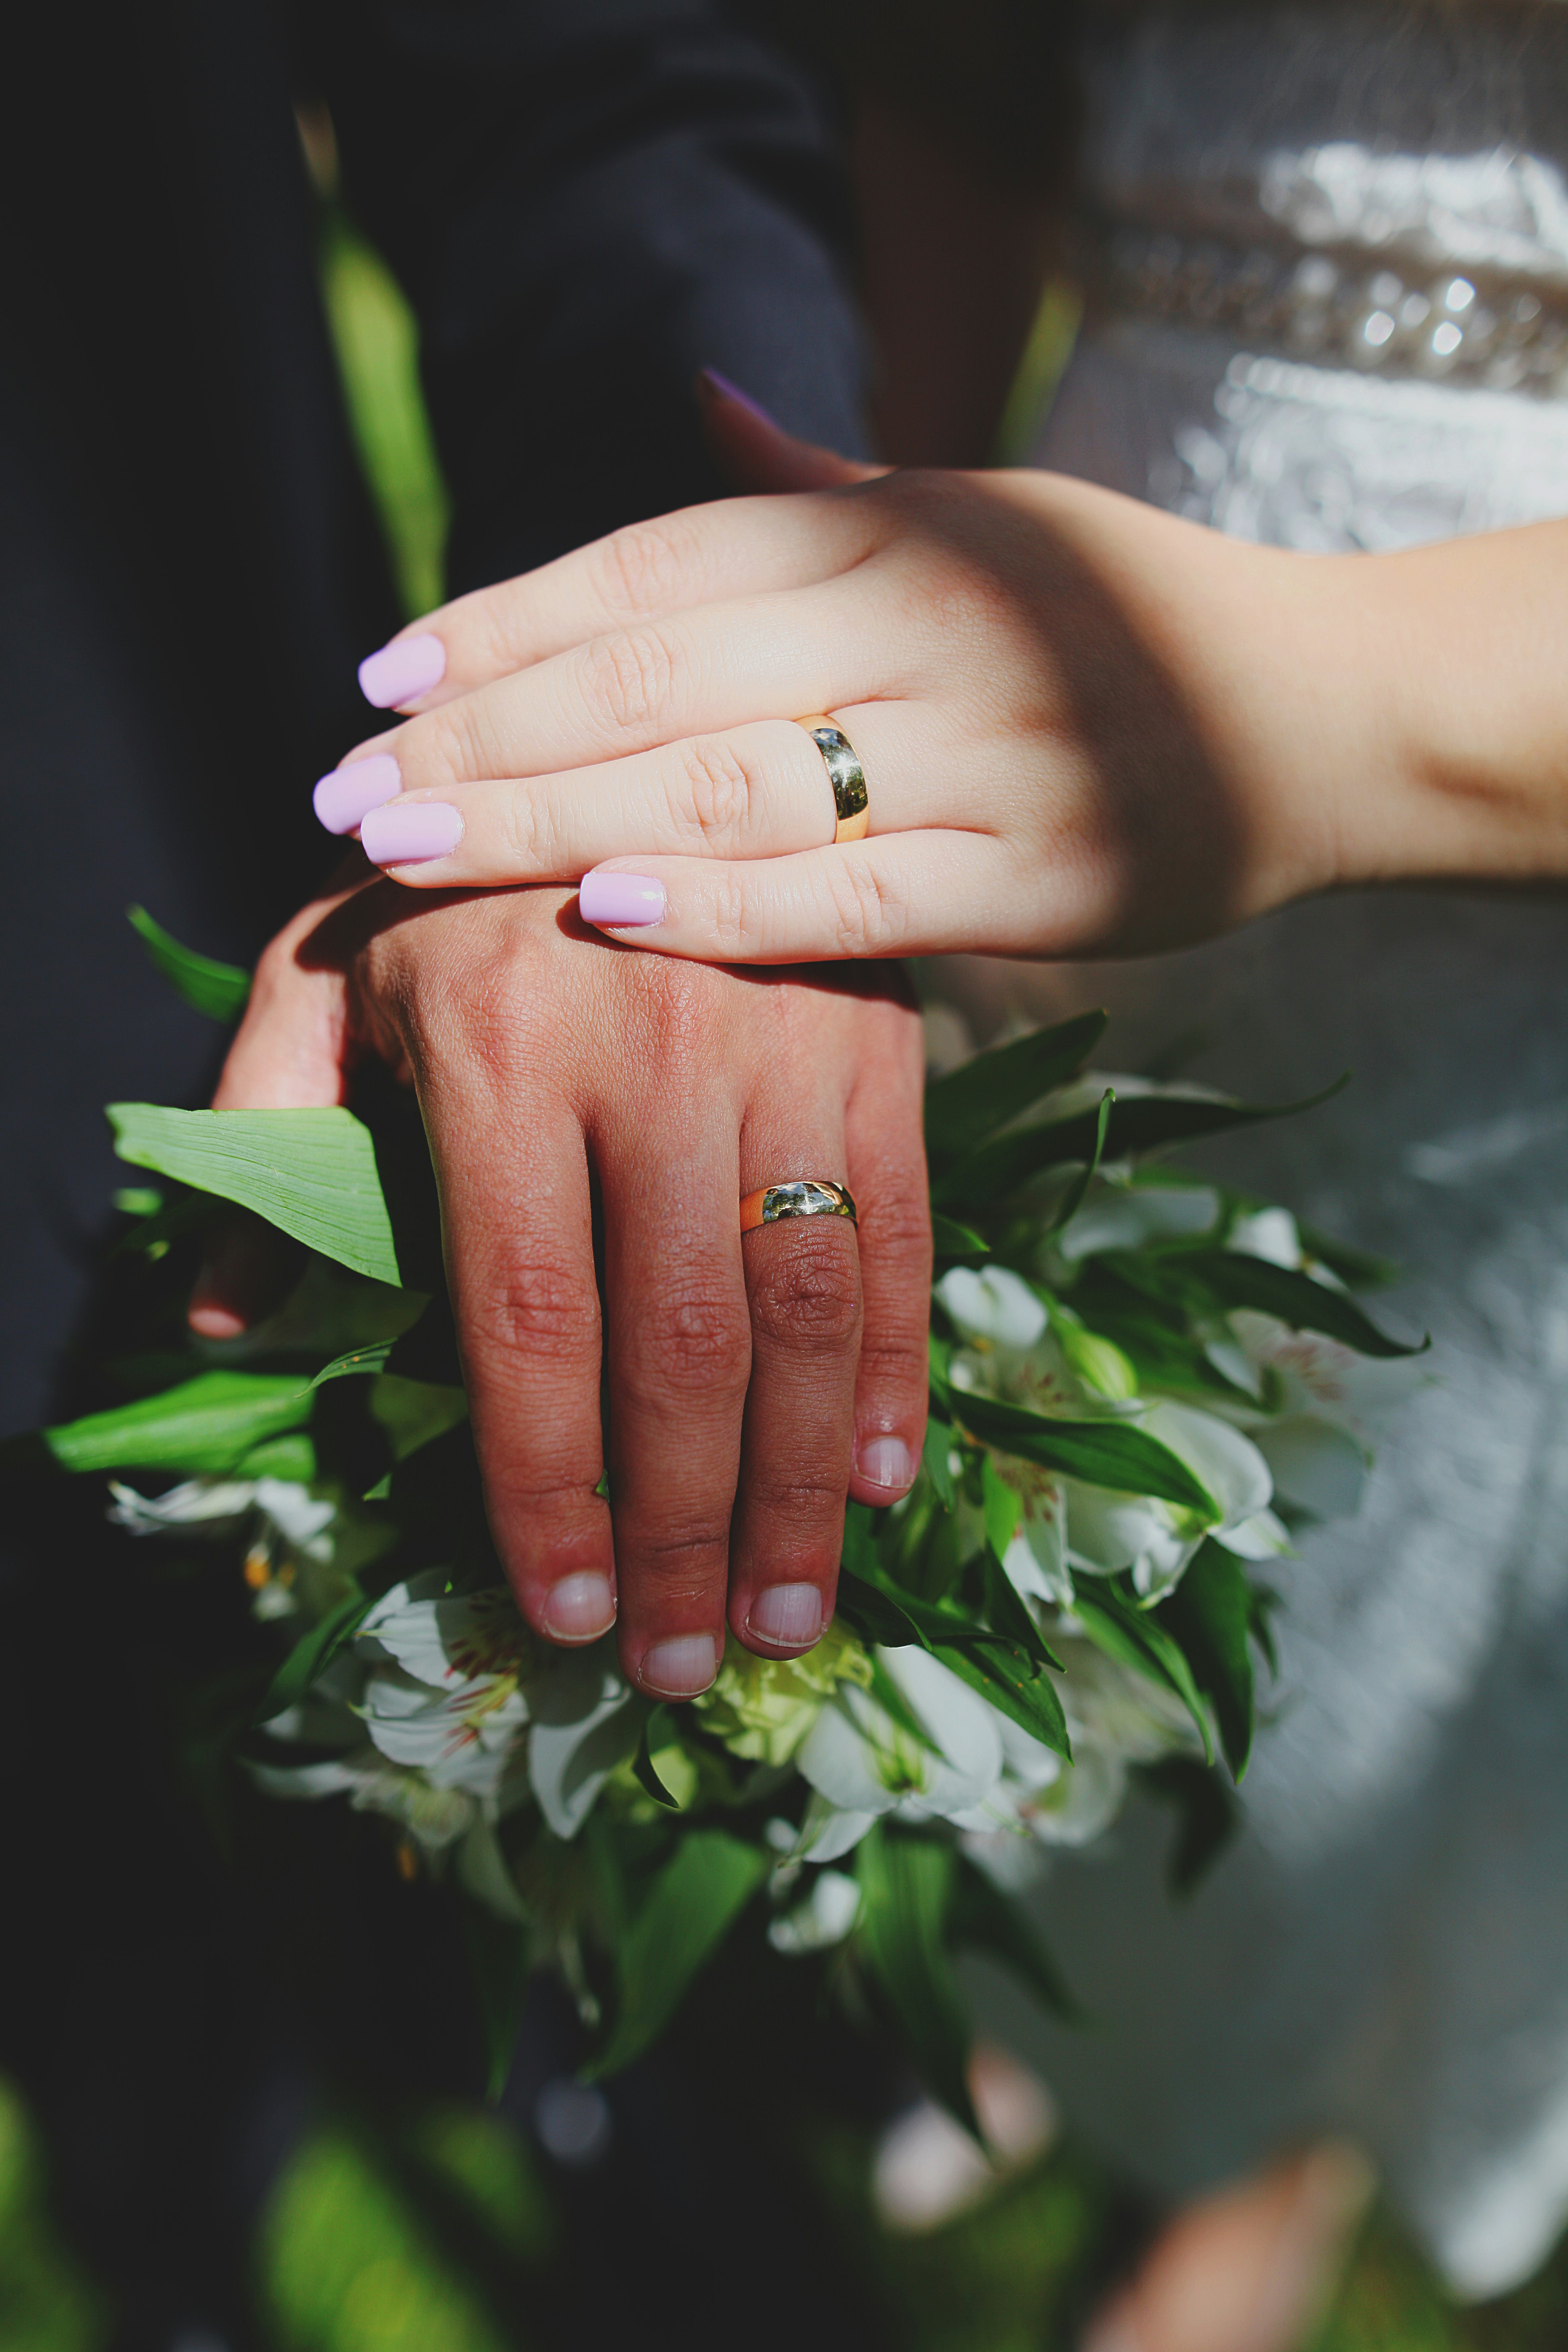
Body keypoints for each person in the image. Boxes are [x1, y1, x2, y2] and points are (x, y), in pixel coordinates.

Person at [276, 3, 1568, 2337]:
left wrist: (1320, 713)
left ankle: (1259, 2172)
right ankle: (1105, 2013)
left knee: (1425, 1660)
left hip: (1444, 829)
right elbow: (969, 88)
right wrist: (782, 703)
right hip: (1029, 749)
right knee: (1068, 1538)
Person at [1, 5, 933, 2341]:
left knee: (587, 1964)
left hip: (200, 1073)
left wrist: (639, 794)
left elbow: (591, 79)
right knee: (129, 2066)